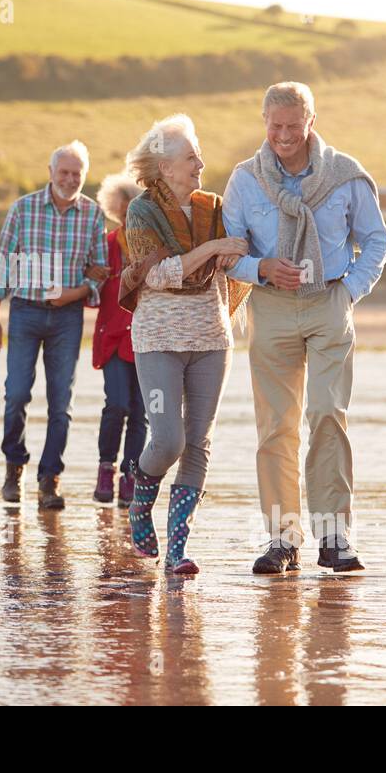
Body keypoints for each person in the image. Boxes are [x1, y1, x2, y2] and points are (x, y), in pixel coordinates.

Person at [222, 82, 386, 573]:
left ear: (311, 122)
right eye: (275, 126)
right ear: (265, 123)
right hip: (270, 308)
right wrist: (260, 269)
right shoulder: (245, 180)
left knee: (327, 413)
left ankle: (336, 537)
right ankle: (282, 540)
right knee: (276, 426)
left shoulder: (345, 176)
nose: (283, 135)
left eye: (293, 126)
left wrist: (349, 290)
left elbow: (376, 241)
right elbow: (229, 251)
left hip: (328, 304)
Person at [119, 115, 251, 573]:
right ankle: (140, 499)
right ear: (165, 168)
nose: (201, 163)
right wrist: (215, 249)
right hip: (158, 342)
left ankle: (177, 550)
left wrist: (234, 253)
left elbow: (236, 258)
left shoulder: (214, 209)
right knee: (168, 439)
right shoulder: (142, 213)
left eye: (198, 155)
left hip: (213, 341)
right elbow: (158, 274)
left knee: (198, 443)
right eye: (191, 157)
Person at [0, 140, 109, 509]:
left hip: (67, 318)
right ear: (50, 172)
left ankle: (49, 479)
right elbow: (2, 265)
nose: (70, 179)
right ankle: (14, 467)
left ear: (84, 176)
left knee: (61, 403)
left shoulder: (93, 214)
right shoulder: (22, 210)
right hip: (24, 311)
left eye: (77, 174)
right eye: (64, 172)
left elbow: (101, 271)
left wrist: (74, 294)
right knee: (17, 393)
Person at [91, 173, 147, 506]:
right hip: (112, 337)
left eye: (135, 212)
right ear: (116, 212)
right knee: (117, 405)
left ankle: (131, 475)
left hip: (147, 339)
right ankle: (105, 468)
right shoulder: (107, 244)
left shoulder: (153, 246)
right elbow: (91, 295)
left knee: (140, 411)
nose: (129, 218)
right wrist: (92, 279)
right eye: (123, 212)